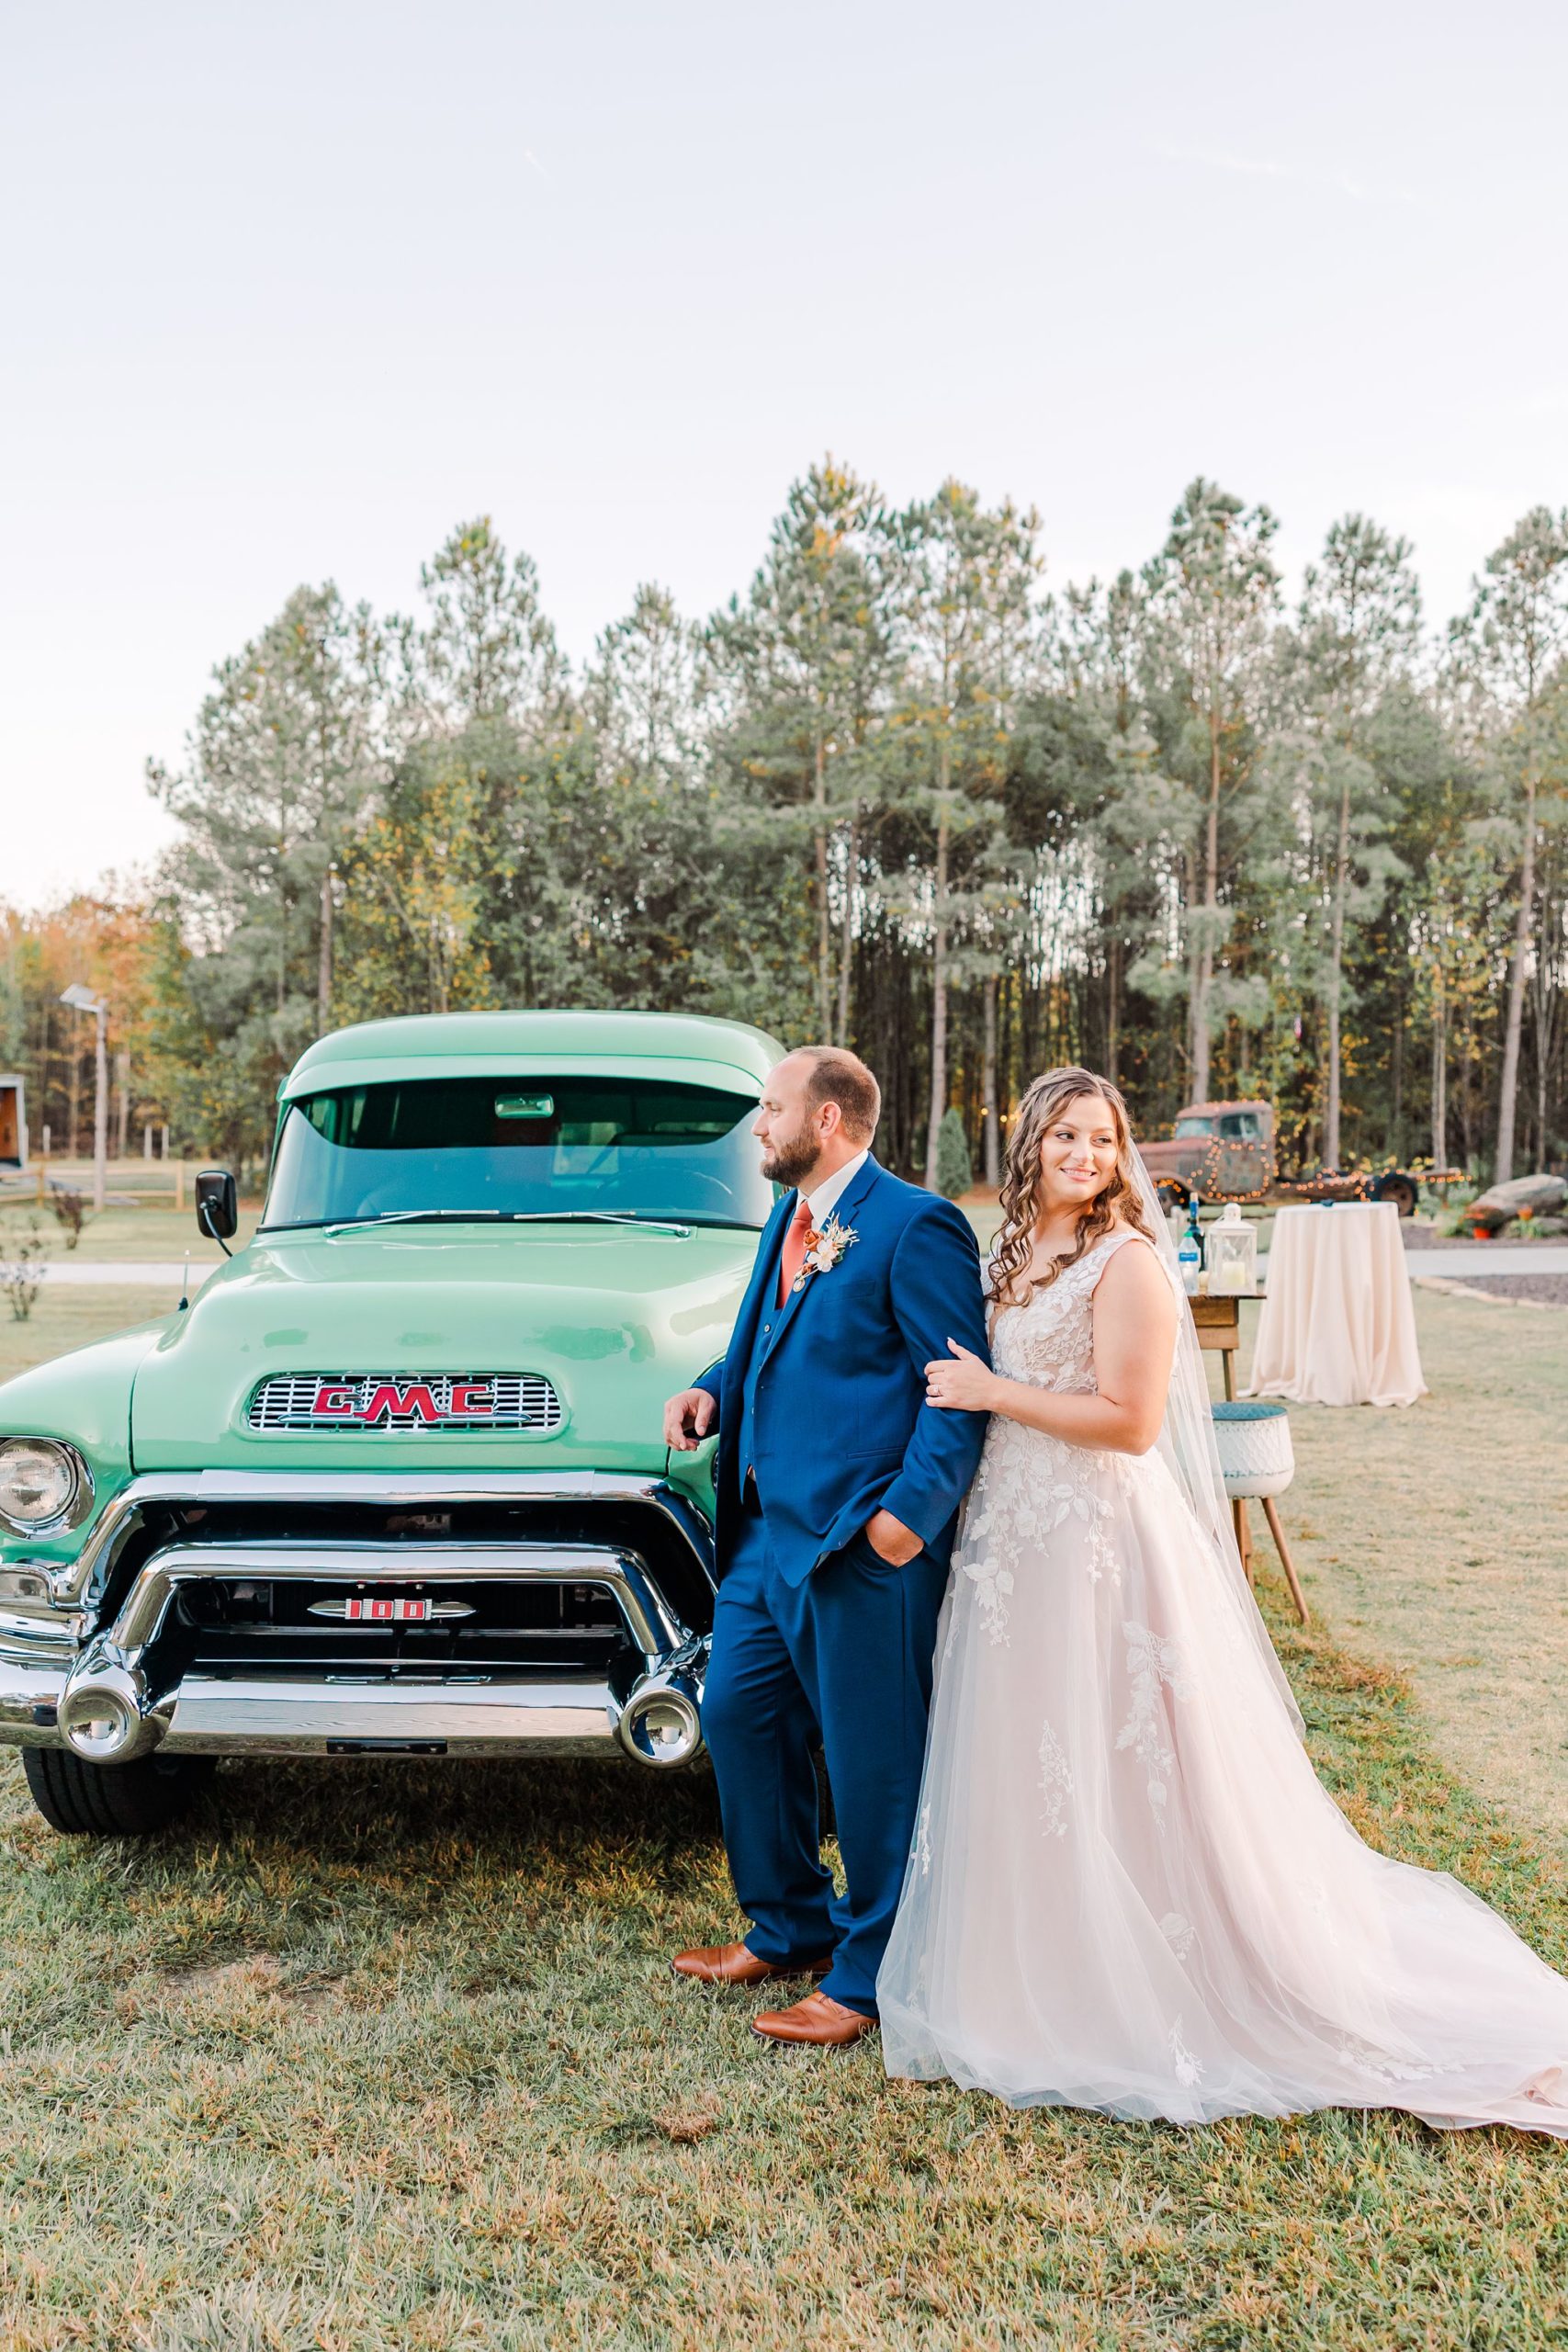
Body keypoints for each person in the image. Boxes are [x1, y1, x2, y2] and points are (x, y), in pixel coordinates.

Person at [878, 1065, 1568, 2135]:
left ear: (1122, 1155)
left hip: (1097, 1539)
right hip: (1013, 1545)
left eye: (1102, 1140)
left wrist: (990, 1391)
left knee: (1123, 1755)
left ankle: (1169, 1967)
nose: (1084, 1156)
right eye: (1064, 1136)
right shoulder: (1012, 1251)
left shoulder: (1129, 1262)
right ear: (1030, 1144)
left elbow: (1130, 1421)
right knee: (1039, 1750)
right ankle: (1046, 1962)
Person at [663, 1047, 990, 2046]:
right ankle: (788, 1922)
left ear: (831, 1119)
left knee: (870, 1763)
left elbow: (958, 1385)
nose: (758, 1126)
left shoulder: (915, 1224)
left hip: (860, 1539)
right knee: (737, 1712)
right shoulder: (792, 1211)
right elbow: (772, 1330)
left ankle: (868, 1978)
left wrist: (904, 1523)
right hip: (767, 1532)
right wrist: (714, 1385)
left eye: (771, 1108)